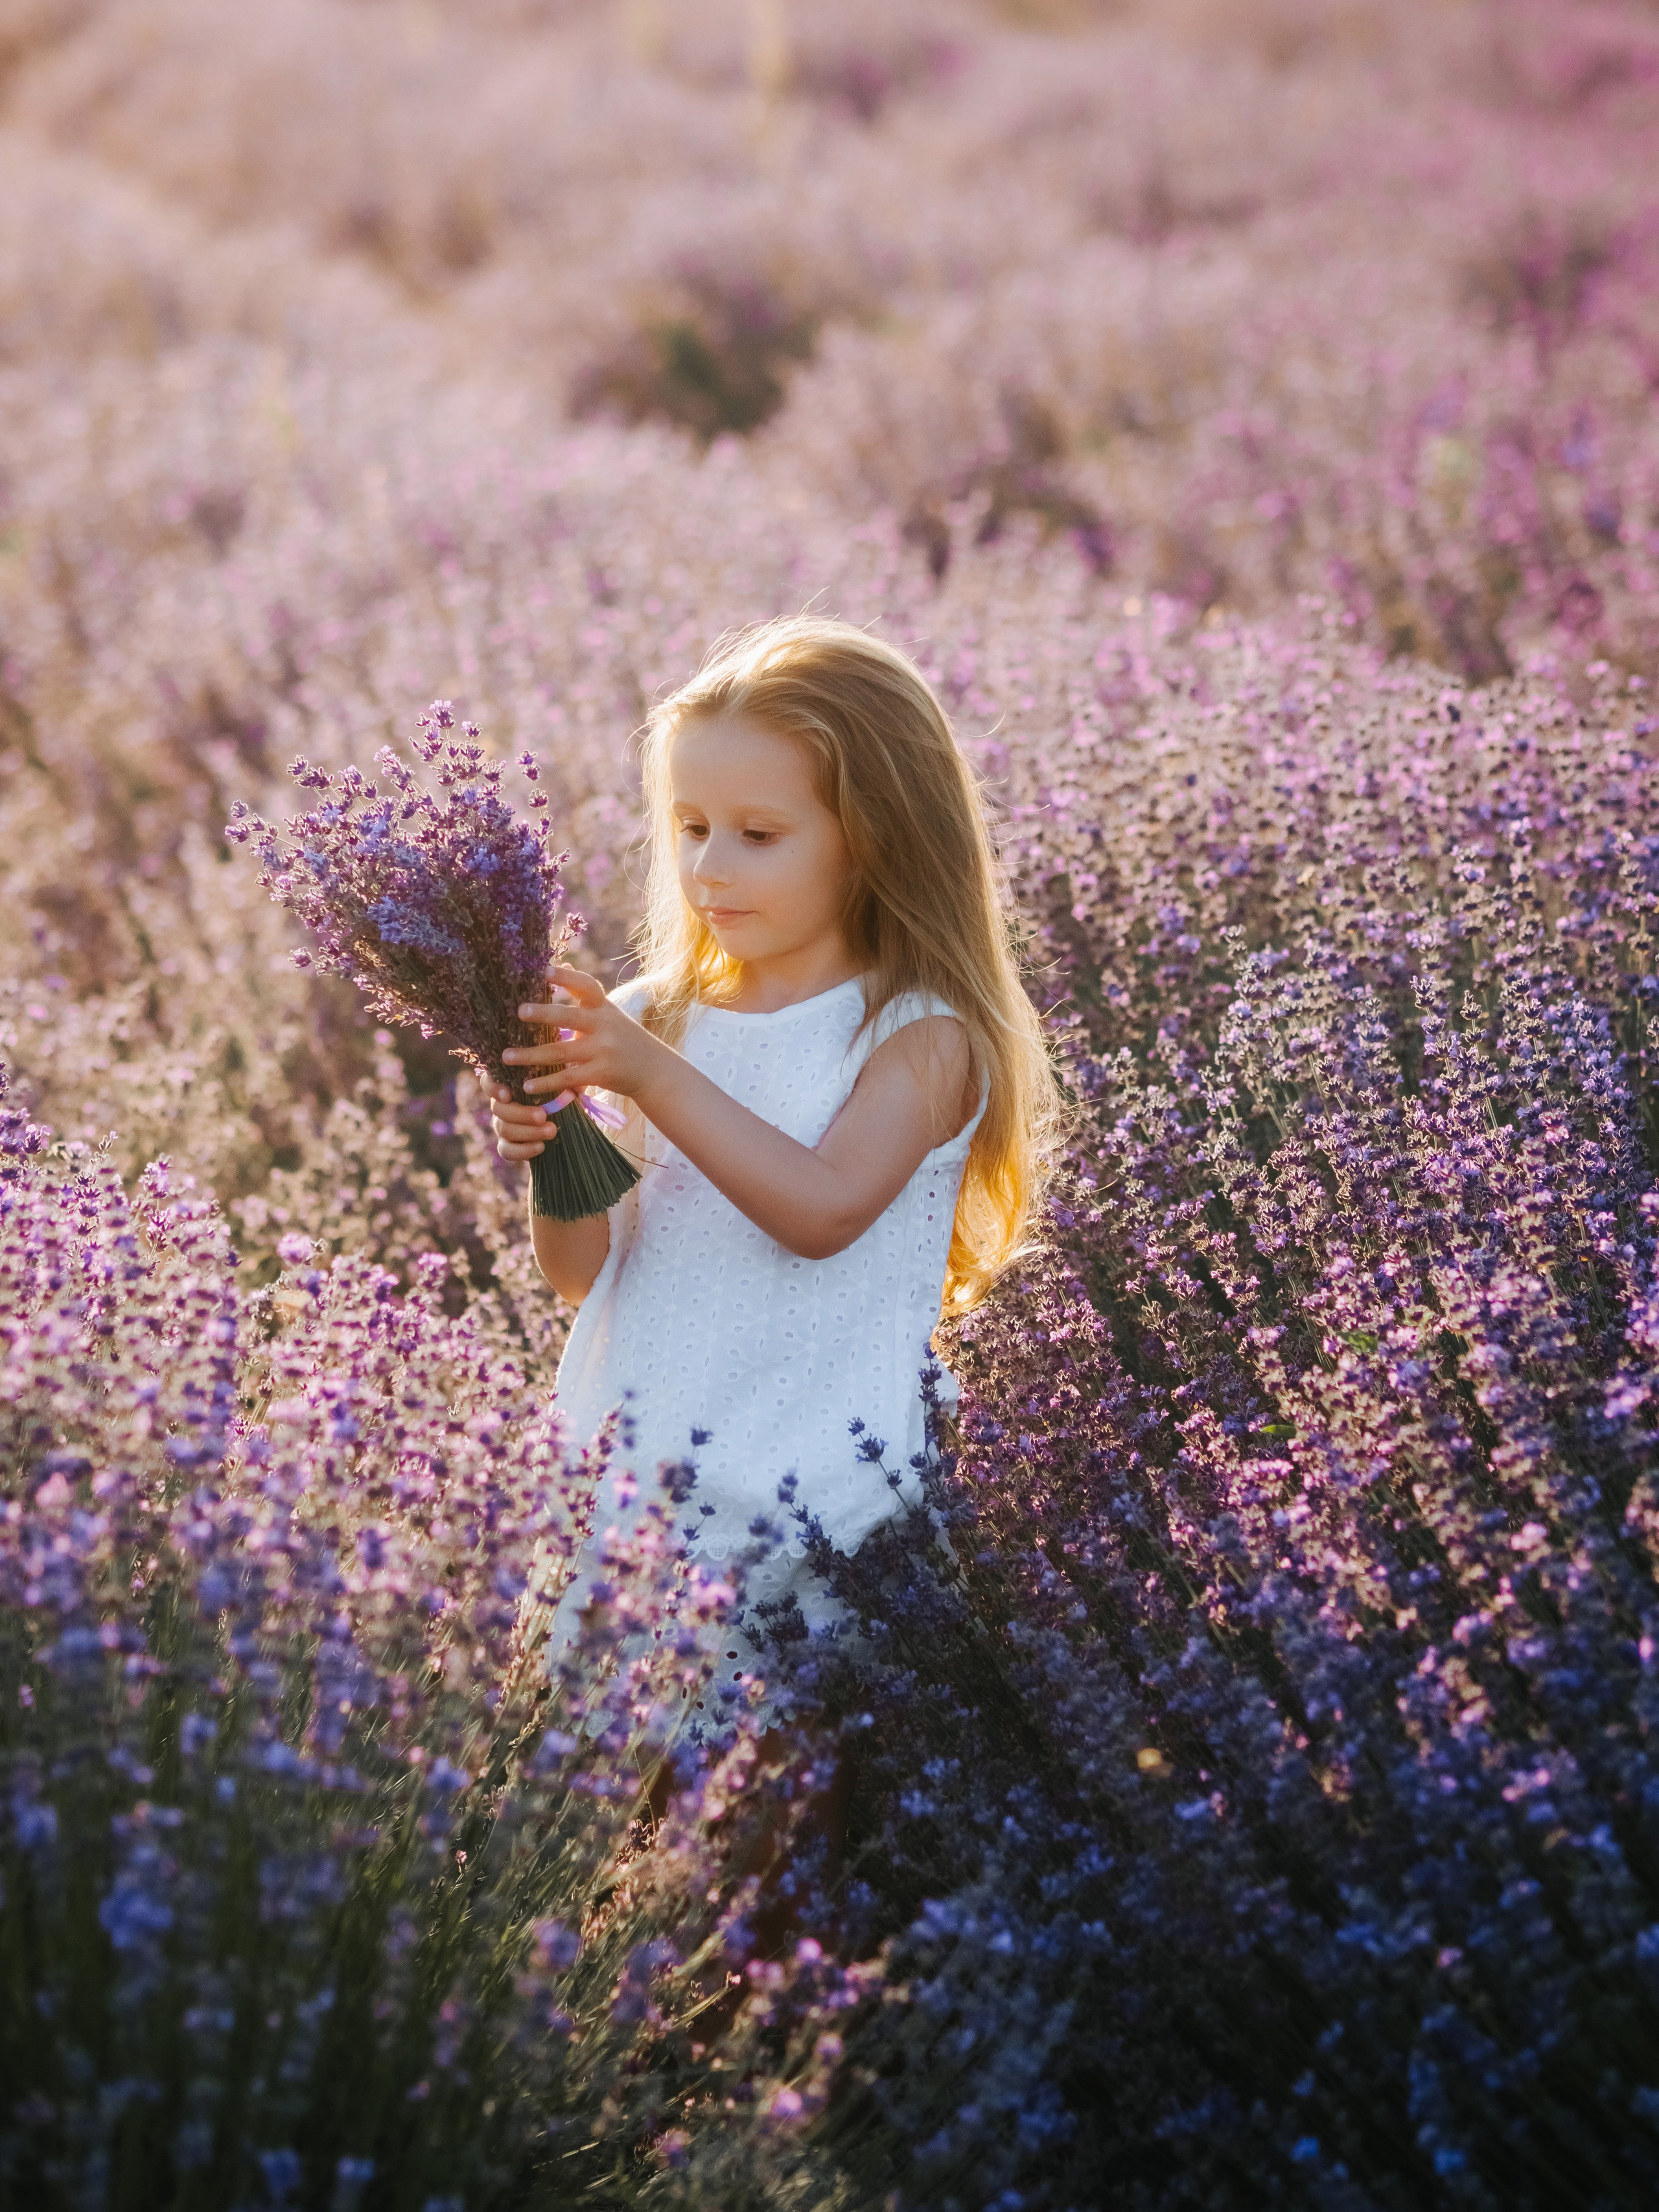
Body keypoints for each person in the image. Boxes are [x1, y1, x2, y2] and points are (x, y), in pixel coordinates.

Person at [489, 614, 1060, 1714]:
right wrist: (552, 1141)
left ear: (875, 837)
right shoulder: (661, 1017)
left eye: (760, 834)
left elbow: (825, 1208)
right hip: (633, 1478)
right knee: (615, 1825)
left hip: (815, 1498)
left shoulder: (918, 1034)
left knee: (774, 1829)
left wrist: (646, 1077)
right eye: (692, 826)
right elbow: (584, 1274)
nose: (709, 867)